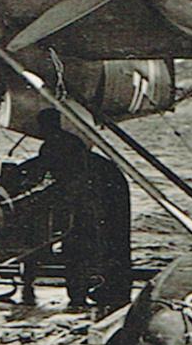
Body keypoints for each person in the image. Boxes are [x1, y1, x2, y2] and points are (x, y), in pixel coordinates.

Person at [11, 109, 131, 312]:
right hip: (100, 194)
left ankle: (80, 295)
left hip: (95, 198)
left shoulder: (55, 145)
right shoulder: (67, 142)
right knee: (101, 245)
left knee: (79, 248)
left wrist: (14, 177)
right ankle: (94, 291)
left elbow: (44, 172)